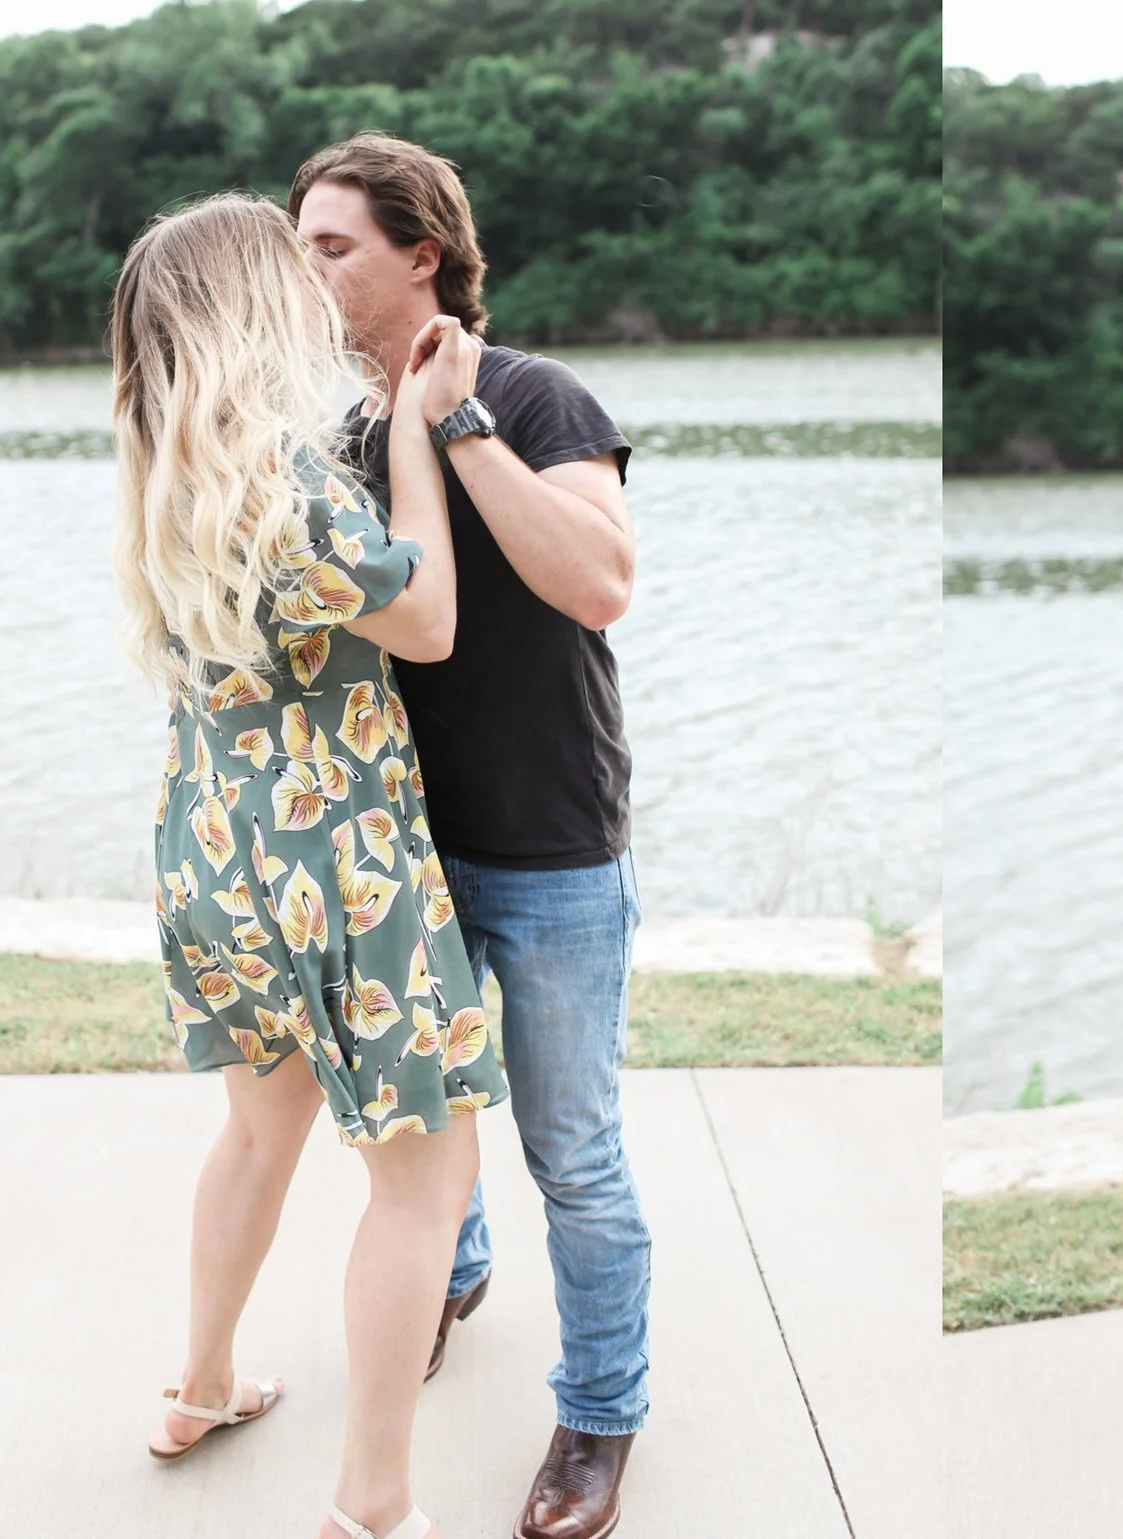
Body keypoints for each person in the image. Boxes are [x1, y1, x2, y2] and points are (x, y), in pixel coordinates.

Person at [109, 192, 503, 1539]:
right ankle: (373, 1502)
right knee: (426, 1183)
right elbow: (429, 623)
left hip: (214, 855)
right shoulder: (291, 483)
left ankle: (203, 1382)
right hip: (339, 866)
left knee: (258, 1127)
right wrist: (415, 431)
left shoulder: (165, 480)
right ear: (255, 312)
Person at [291, 133, 648, 1539]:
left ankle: (600, 1413)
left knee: (576, 1155)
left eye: (333, 247)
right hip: (397, 853)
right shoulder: (326, 435)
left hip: (552, 844)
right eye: (298, 246)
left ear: (421, 255)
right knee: (423, 1125)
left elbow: (600, 582)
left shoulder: (538, 394)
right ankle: (449, 1265)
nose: (307, 269)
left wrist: (458, 425)